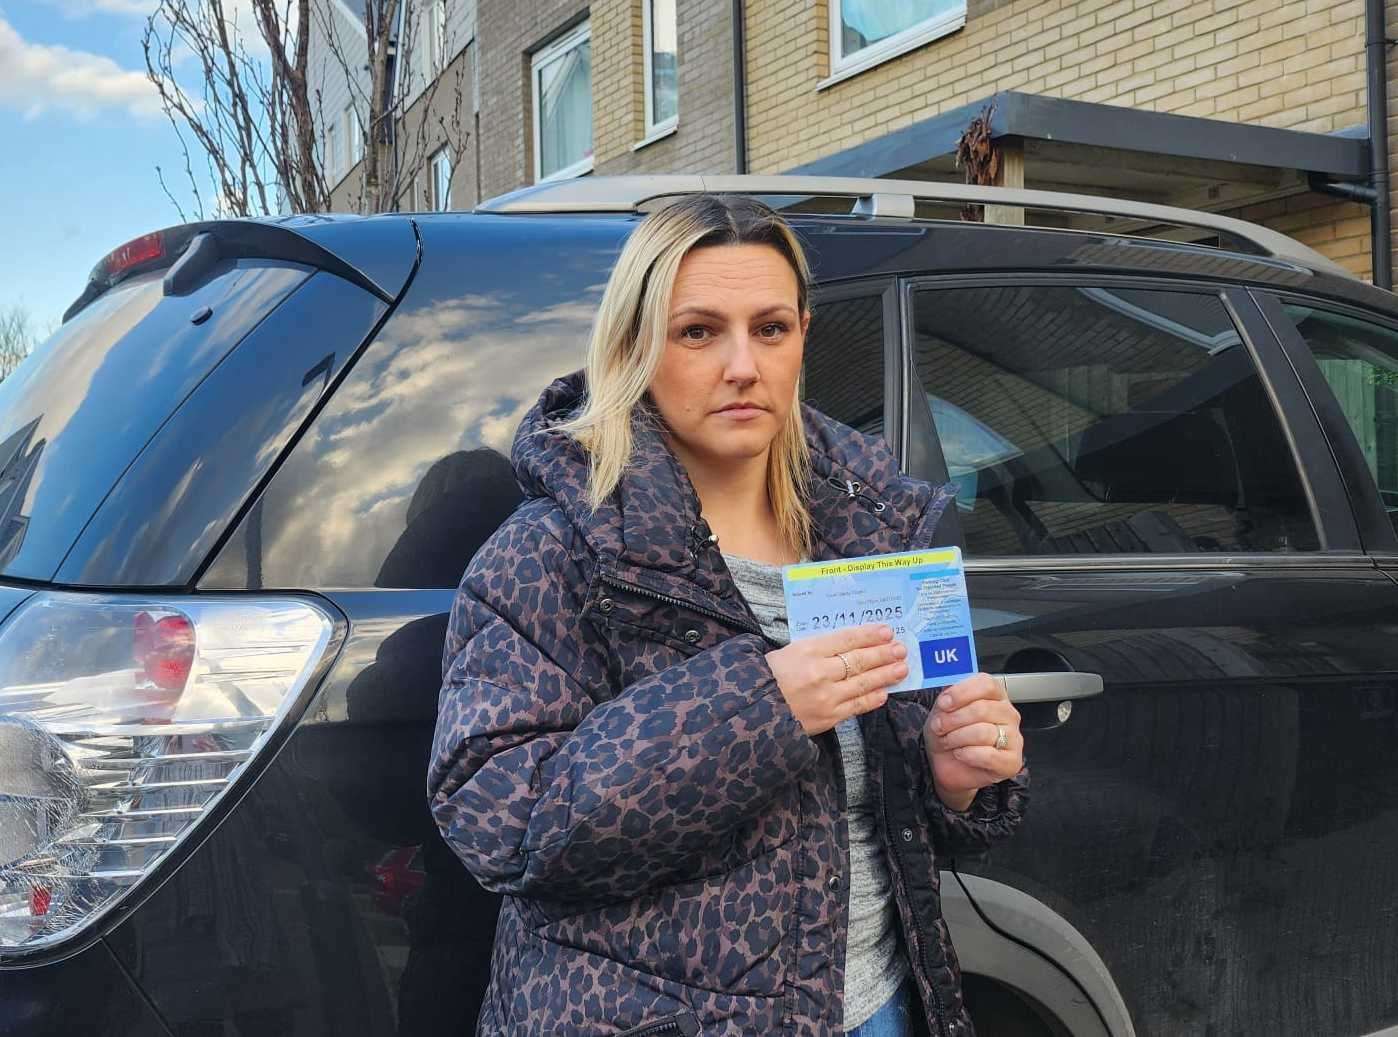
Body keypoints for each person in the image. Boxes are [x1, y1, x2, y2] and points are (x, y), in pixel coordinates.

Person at [427, 194, 1027, 1037]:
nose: (742, 365)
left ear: (803, 338)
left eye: (770, 328)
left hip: (876, 1008)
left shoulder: (874, 533)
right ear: (636, 347)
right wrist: (760, 705)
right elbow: (503, 819)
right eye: (699, 331)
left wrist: (954, 777)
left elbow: (889, 820)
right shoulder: (553, 552)